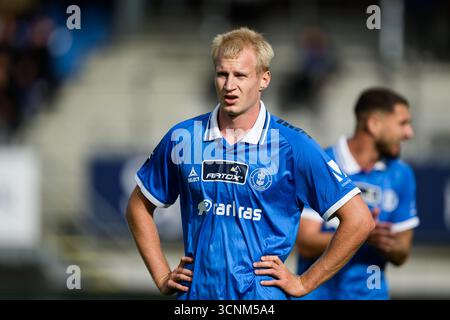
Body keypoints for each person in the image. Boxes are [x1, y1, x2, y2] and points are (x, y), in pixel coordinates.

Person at [126, 27, 374, 300]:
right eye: (222, 74)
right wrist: (161, 275)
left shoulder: (293, 146)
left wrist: (304, 283)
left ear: (263, 79)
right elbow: (138, 207)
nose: (229, 85)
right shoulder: (184, 138)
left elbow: (359, 220)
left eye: (240, 75)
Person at [296, 87, 419, 300]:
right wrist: (360, 233)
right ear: (373, 124)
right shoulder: (323, 164)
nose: (409, 133)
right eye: (402, 124)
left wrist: (385, 242)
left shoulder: (402, 174)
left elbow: (402, 252)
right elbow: (305, 242)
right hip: (319, 295)